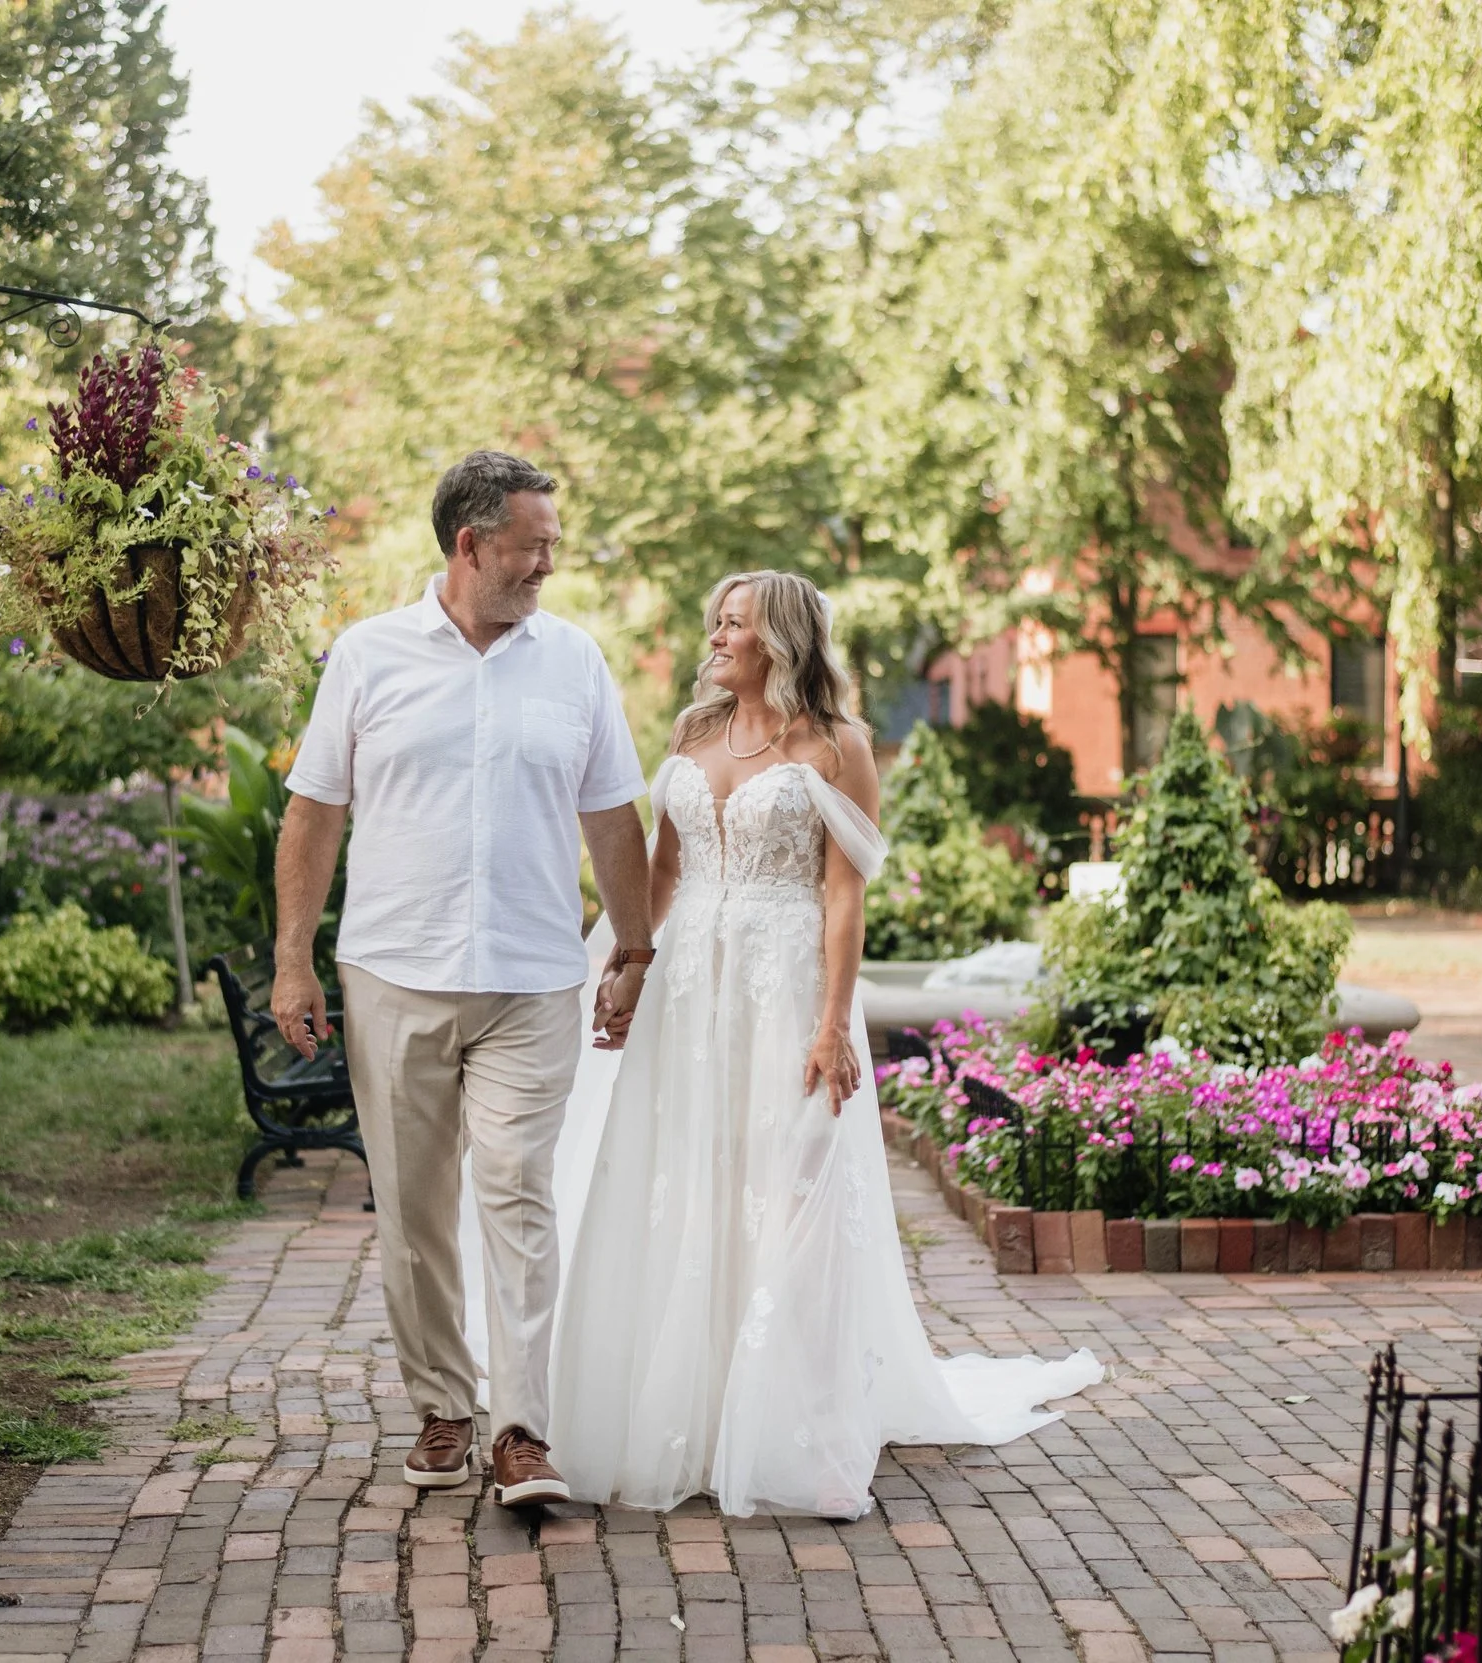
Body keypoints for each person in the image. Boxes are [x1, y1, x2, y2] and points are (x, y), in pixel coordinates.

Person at [542, 570, 1103, 1518]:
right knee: (690, 1176)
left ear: (783, 641)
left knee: (788, 1184)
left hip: (784, 986)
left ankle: (786, 1423)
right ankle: (692, 1405)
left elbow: (846, 895)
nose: (716, 636)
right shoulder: (690, 733)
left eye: (736, 623)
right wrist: (629, 960)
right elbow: (664, 866)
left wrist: (834, 1021)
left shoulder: (838, 746)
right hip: (688, 989)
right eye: (713, 618)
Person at [271, 450, 655, 1506]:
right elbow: (314, 813)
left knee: (519, 1194)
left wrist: (633, 950)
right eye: (531, 546)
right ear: (469, 543)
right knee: (414, 1210)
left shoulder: (574, 661)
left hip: (531, 979)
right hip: (395, 969)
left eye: (552, 546)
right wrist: (291, 959)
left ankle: (521, 1431)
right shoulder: (367, 655)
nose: (546, 565)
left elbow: (613, 814)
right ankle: (444, 1404)